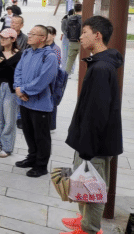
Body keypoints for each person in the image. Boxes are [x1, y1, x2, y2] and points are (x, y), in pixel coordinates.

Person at [62, 16, 123, 235]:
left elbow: (98, 113)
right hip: (89, 140)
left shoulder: (101, 68)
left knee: (94, 186)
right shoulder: (99, 63)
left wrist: (88, 147)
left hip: (95, 143)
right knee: (84, 180)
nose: (80, 37)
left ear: (97, 35)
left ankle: (90, 229)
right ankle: (83, 220)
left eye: (84, 32)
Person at [13, 25, 58, 178]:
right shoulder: (26, 52)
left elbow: (43, 80)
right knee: (28, 133)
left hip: (40, 104)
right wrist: (18, 88)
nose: (29, 36)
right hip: (24, 101)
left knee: (41, 136)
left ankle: (41, 165)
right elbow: (18, 71)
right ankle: (32, 157)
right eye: (29, 33)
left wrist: (24, 90)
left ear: (43, 38)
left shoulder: (50, 56)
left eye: (33, 34)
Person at [0, 29, 23, 158]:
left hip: (11, 89)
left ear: (13, 39)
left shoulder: (20, 55)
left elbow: (16, 74)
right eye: (0, 37)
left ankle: (7, 147)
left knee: (9, 120)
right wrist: (7, 66)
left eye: (5, 38)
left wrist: (3, 64)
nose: (2, 40)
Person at [46, 26, 61, 132]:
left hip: (52, 79)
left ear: (54, 35)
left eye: (49, 33)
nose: (47, 36)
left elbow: (56, 65)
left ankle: (51, 125)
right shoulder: (42, 46)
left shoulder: (56, 49)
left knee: (52, 101)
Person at [65, 3, 83, 75]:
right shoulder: (83, 18)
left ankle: (66, 75)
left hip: (72, 41)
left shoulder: (70, 18)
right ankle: (80, 75)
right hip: (81, 42)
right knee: (82, 60)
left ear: (74, 10)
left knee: (70, 60)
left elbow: (67, 29)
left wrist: (69, 37)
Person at [61, 9, 76, 75]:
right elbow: (63, 29)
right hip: (66, 39)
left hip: (73, 39)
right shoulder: (65, 20)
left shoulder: (76, 20)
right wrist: (69, 35)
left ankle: (71, 70)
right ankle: (64, 69)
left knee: (72, 55)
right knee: (65, 55)